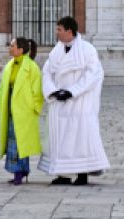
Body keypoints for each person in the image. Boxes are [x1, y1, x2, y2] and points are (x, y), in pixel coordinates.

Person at [39, 16, 108, 186]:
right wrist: (53, 91)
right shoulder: (56, 51)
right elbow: (47, 73)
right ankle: (62, 174)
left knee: (80, 137)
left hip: (79, 103)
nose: (57, 33)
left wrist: (72, 91)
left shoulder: (87, 50)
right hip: (60, 103)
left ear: (69, 31)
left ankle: (82, 173)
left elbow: (93, 75)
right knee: (60, 138)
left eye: (59, 29)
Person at [0, 37, 44, 186]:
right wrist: (0, 100)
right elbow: (3, 86)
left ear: (21, 49)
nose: (9, 48)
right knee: (12, 140)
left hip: (25, 110)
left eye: (12, 46)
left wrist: (35, 107)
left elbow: (38, 89)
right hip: (10, 108)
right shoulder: (9, 65)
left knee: (20, 141)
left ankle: (20, 172)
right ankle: (20, 170)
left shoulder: (32, 67)